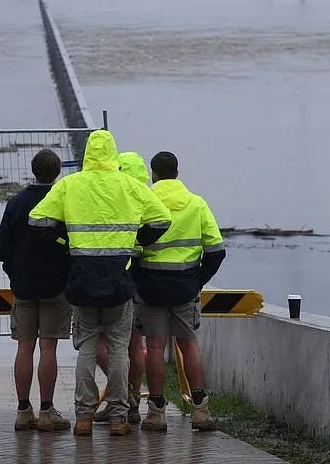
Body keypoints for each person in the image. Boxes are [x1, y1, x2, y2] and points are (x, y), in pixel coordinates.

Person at [28, 131, 171, 437]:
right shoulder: (130, 186)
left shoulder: (70, 184)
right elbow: (161, 219)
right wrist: (135, 240)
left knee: (86, 351)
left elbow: (37, 220)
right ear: (113, 153)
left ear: (87, 153)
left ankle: (83, 417)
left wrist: (64, 241)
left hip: (82, 280)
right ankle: (119, 417)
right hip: (118, 279)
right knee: (119, 352)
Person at [134, 151, 225, 432]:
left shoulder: (144, 203)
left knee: (156, 347)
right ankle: (200, 409)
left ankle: (156, 412)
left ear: (154, 173)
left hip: (151, 287)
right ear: (177, 172)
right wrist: (197, 280)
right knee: (189, 344)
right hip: (185, 285)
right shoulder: (197, 204)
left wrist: (139, 278)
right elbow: (216, 250)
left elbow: (133, 248)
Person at [0, 149, 71, 432]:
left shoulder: (16, 203)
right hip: (56, 286)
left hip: (24, 284)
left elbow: (2, 247)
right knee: (48, 346)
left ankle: (23, 409)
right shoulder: (62, 202)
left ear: (33, 169)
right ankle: (46, 409)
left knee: (24, 346)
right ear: (57, 172)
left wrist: (14, 272)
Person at [92, 151, 151, 426]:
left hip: (120, 276)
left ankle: (121, 397)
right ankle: (133, 404)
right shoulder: (149, 196)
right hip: (148, 279)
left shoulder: (120, 196)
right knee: (135, 345)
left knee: (102, 342)